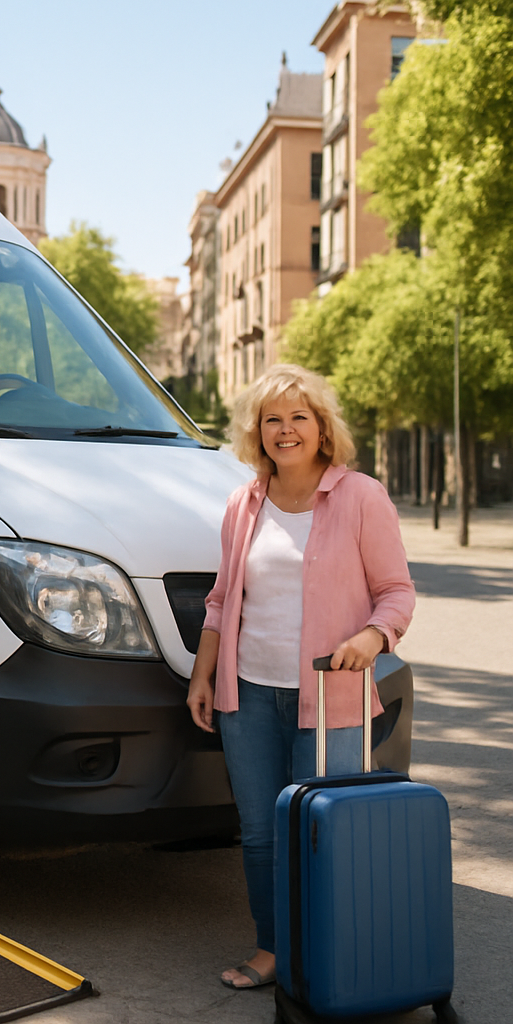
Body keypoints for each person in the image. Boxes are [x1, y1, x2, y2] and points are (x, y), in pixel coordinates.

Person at [186, 363, 414, 991]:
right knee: (261, 834)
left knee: (322, 832)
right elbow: (219, 599)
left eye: (298, 418)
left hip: (331, 696)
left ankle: (332, 954)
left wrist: (373, 636)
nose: (285, 431)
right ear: (257, 432)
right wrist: (203, 678)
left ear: (321, 428)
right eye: (272, 420)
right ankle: (274, 949)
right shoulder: (244, 502)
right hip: (248, 697)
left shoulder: (362, 496)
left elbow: (395, 593)